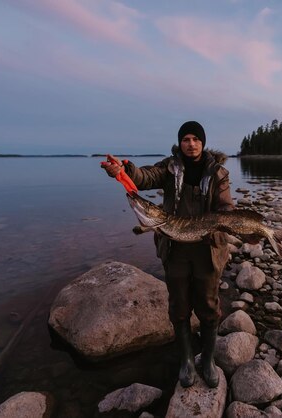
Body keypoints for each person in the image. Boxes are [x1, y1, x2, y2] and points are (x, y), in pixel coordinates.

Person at [101, 121, 234, 388]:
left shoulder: (218, 173)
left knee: (209, 307)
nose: (191, 143)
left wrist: (230, 226)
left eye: (195, 138)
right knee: (179, 306)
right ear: (180, 143)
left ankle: (207, 360)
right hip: (175, 250)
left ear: (203, 142)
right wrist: (124, 170)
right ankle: (186, 360)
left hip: (207, 250)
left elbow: (226, 208)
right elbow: (144, 178)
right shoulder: (170, 167)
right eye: (185, 139)